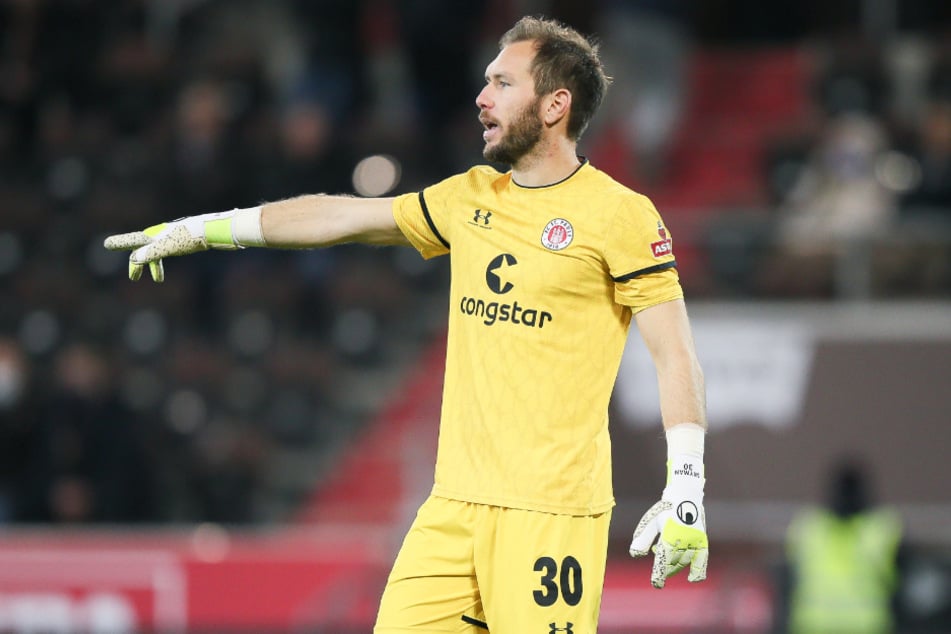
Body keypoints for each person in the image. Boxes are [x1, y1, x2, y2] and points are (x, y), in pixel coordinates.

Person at [105, 16, 708, 633]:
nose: (481, 98)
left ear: (555, 104)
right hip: (452, 508)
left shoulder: (621, 216)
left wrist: (685, 483)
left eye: (502, 83)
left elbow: (674, 355)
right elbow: (340, 217)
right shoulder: (470, 196)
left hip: (549, 514)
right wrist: (204, 229)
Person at [780, 459, 904, 634]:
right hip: (865, 624)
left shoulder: (807, 526)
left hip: (815, 624)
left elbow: (788, 578)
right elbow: (901, 579)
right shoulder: (881, 528)